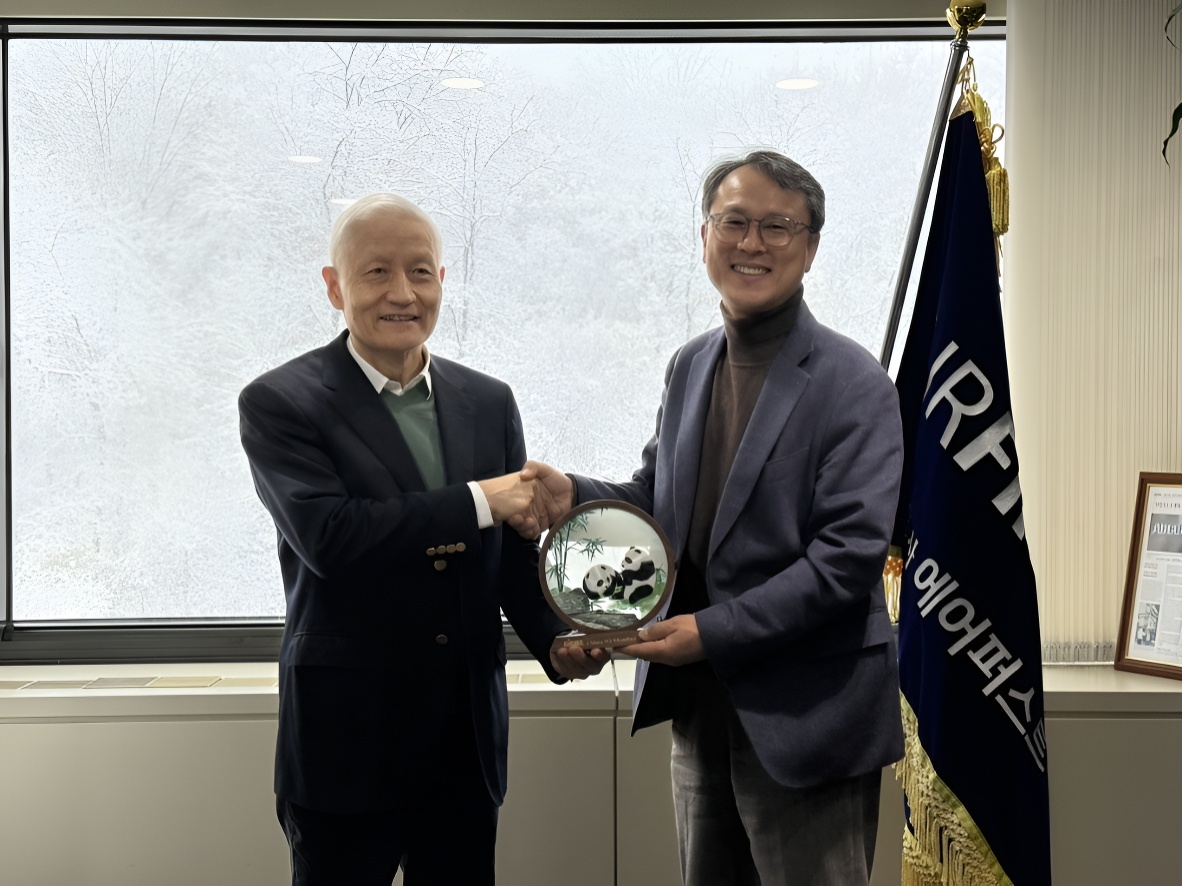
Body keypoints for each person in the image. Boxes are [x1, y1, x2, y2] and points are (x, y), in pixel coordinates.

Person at [529, 151, 905, 885]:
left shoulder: (854, 382)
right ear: (704, 236)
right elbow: (658, 500)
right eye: (733, 222)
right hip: (700, 706)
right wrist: (570, 493)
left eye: (777, 226)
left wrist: (709, 631)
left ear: (810, 248)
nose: (751, 243)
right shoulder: (689, 364)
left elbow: (846, 558)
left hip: (809, 716)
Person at [238, 193, 607, 886]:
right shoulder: (281, 402)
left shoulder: (488, 400)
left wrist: (558, 638)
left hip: (464, 743)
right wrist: (479, 500)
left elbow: (510, 556)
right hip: (347, 743)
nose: (402, 293)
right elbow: (331, 538)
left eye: (419, 272)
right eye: (377, 272)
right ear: (334, 286)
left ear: (442, 279)